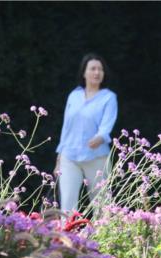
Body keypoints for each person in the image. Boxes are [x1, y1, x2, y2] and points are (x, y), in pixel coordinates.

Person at [55, 53, 118, 214]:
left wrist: (100, 137)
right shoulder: (74, 96)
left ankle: (102, 238)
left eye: (100, 69)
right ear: (84, 73)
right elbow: (66, 128)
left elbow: (106, 126)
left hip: (97, 156)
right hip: (69, 156)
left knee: (101, 204)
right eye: (93, 69)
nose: (97, 72)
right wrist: (59, 157)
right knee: (67, 205)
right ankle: (66, 238)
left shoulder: (109, 98)